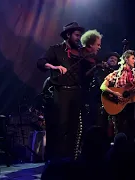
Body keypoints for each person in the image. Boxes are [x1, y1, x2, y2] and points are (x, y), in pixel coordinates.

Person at [36, 22, 103, 162]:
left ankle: (71, 158)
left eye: (80, 36)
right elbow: (41, 62)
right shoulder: (55, 49)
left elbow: (85, 76)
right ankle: (57, 159)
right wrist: (54, 66)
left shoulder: (80, 53)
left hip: (77, 93)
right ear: (68, 35)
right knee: (62, 126)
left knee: (75, 127)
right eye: (77, 35)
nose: (79, 38)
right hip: (61, 92)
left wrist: (95, 67)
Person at [100, 50, 135, 147]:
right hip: (119, 106)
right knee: (120, 129)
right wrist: (115, 93)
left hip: (133, 105)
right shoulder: (116, 74)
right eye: (133, 58)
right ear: (126, 59)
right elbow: (103, 87)